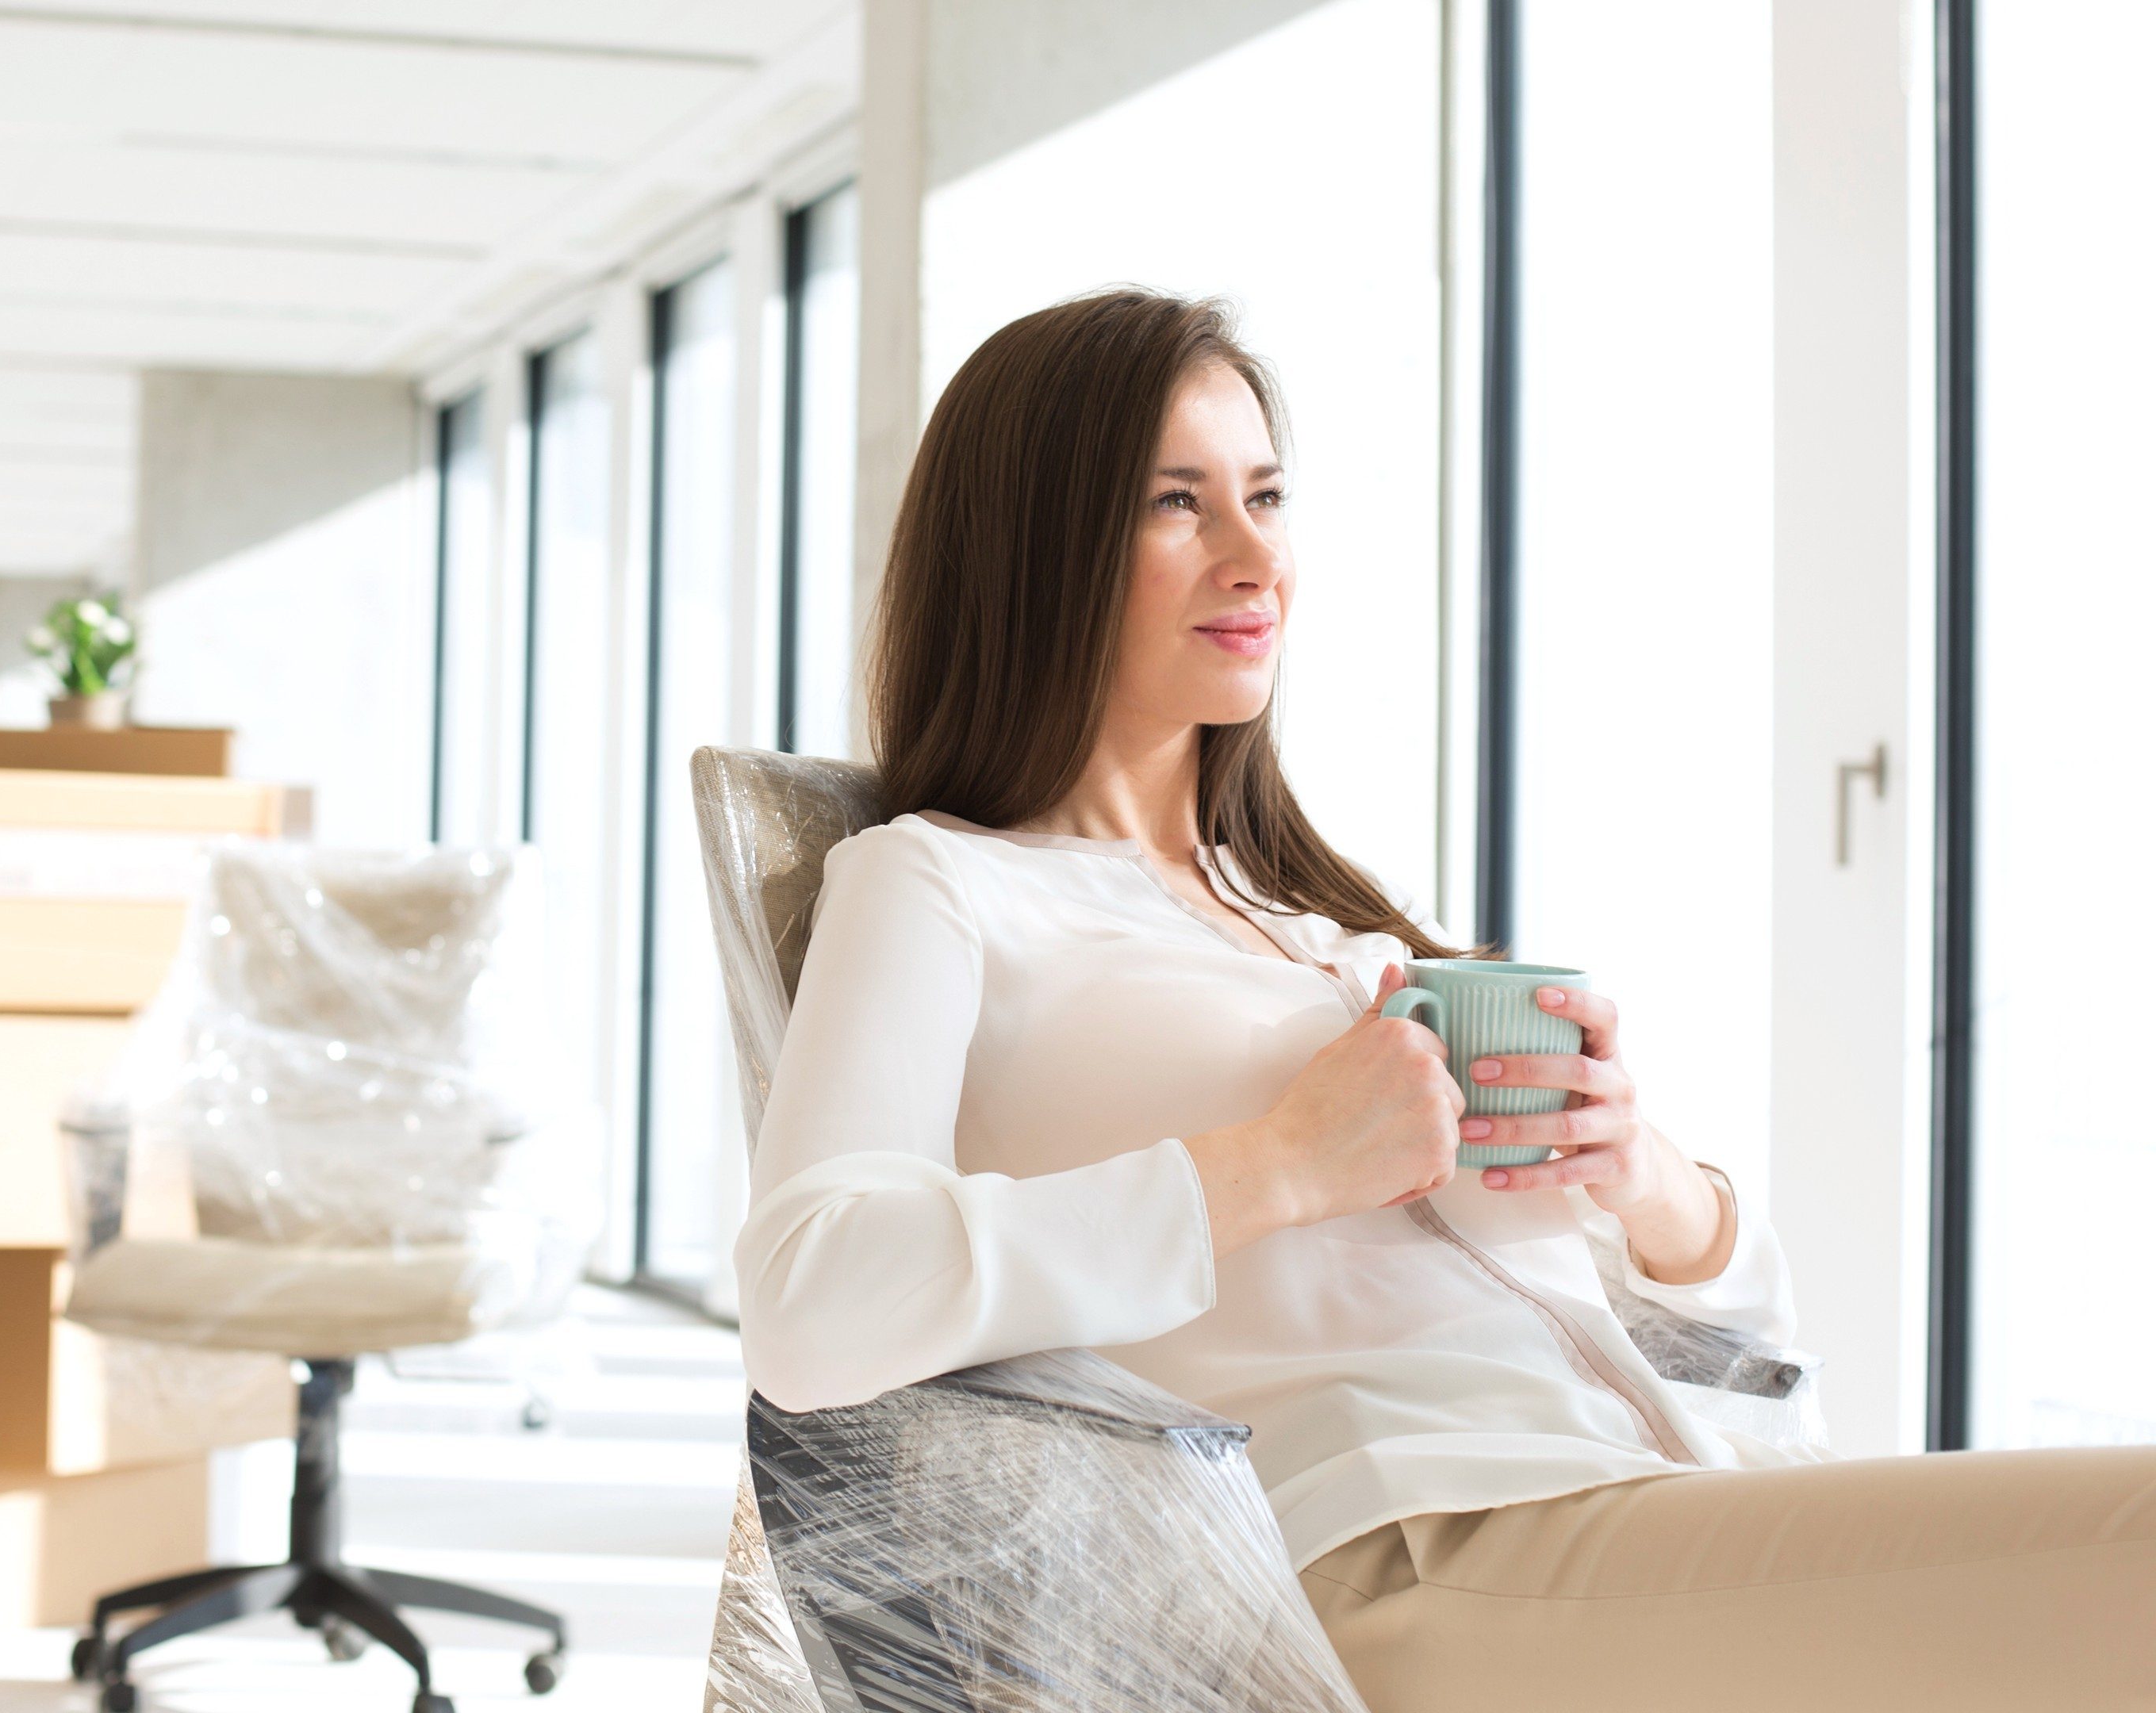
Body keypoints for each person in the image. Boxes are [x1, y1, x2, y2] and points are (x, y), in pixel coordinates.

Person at [735, 289, 2155, 1711]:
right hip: (1402, 1556)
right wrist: (1275, 1163)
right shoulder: (934, 886)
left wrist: (1648, 1181)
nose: (1257, 557)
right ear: (1035, 548)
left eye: (1268, 495)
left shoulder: (1321, 927)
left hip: (1630, 1494)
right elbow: (811, 1304)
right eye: (1179, 504)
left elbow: (1749, 1353)